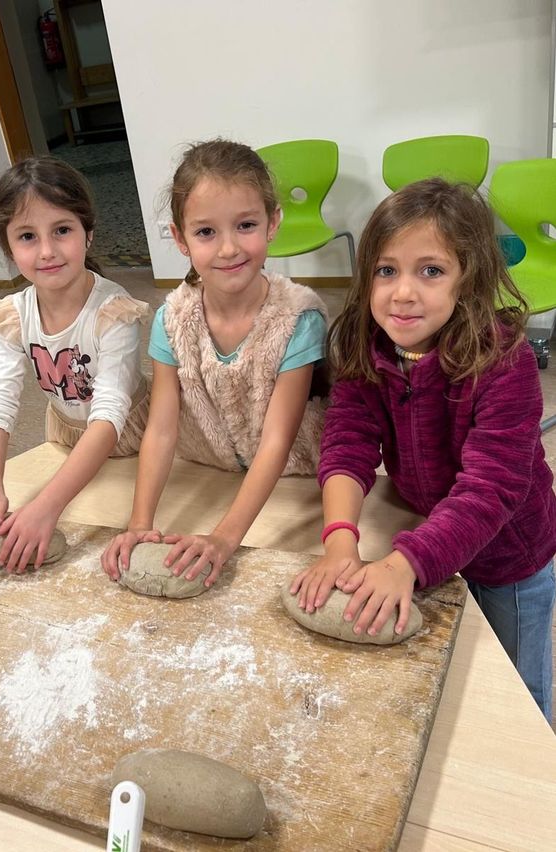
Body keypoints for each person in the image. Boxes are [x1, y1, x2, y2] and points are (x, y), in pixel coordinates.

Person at [289, 178, 556, 720]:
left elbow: (491, 489)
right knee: (451, 674)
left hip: (510, 557)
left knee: (518, 694)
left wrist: (407, 559)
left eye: (430, 271)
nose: (403, 292)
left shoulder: (505, 362)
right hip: (429, 526)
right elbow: (347, 442)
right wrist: (340, 541)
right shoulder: (370, 346)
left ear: (469, 279)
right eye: (387, 270)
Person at [101, 139, 327, 588]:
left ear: (273, 222)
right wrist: (139, 521)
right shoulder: (172, 318)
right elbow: (162, 429)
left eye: (245, 225)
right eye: (206, 232)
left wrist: (224, 538)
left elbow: (277, 442)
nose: (228, 249)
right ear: (180, 238)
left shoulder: (298, 318)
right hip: (205, 465)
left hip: (293, 476)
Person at [0, 156, 150, 572]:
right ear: (9, 248)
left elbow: (109, 413)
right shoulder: (13, 315)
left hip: (131, 436)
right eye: (27, 236)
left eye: (62, 230)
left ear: (88, 234)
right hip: (68, 436)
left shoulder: (112, 311)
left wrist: (46, 506)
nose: (46, 251)